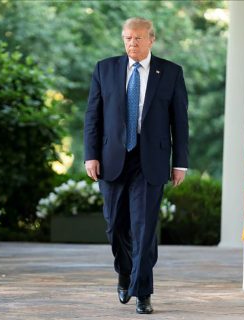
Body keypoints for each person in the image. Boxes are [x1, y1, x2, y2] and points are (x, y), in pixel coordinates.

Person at [83, 17, 188, 314]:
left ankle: (143, 292)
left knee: (144, 229)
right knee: (115, 225)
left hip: (150, 161)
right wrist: (90, 155)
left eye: (138, 38)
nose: (132, 43)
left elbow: (180, 122)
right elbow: (93, 116)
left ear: (152, 39)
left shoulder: (170, 72)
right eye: (128, 38)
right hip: (112, 159)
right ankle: (125, 272)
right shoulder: (104, 69)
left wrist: (180, 162)